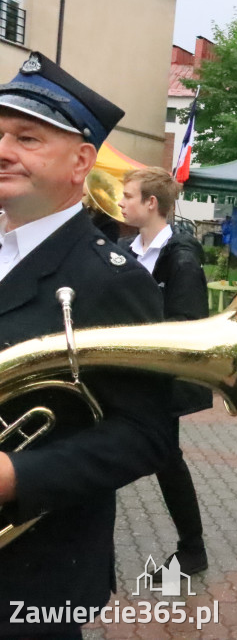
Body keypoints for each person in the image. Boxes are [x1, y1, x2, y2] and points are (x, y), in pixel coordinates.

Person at [0, 51, 175, 638]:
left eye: (26, 137)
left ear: (81, 161)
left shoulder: (112, 278)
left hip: (31, 576)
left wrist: (17, 476)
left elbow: (146, 436)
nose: (3, 149)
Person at [118, 166, 212, 577]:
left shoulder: (182, 258)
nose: (120, 202)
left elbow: (185, 326)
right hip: (126, 374)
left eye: (128, 196)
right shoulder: (125, 248)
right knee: (159, 458)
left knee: (166, 460)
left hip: (159, 380)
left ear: (151, 203)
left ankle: (193, 550)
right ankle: (192, 548)